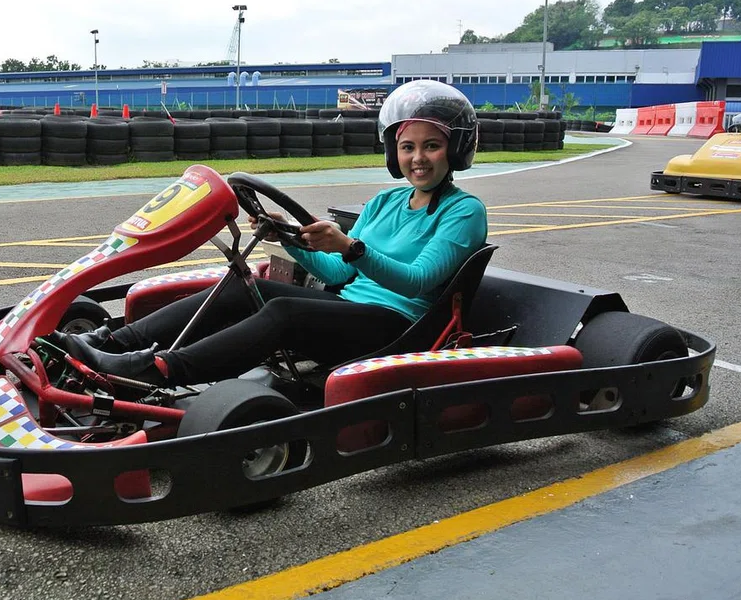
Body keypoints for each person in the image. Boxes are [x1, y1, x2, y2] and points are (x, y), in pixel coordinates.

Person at [60, 80, 489, 386]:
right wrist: (286, 237)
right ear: (394, 151)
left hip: (397, 329)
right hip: (349, 308)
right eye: (407, 146)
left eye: (431, 145)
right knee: (250, 287)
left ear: (454, 149)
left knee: (285, 312)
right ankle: (111, 344)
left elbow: (418, 281)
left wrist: (352, 247)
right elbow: (339, 276)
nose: (418, 158)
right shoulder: (384, 202)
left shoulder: (464, 211)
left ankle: (159, 371)